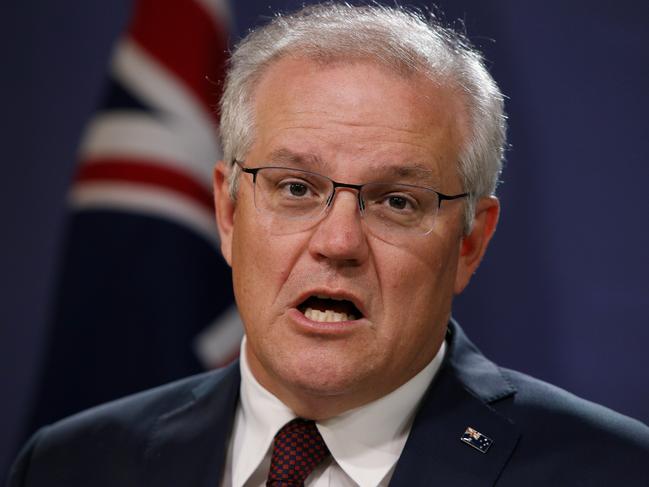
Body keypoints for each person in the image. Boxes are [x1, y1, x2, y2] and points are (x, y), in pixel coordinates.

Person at [8, 3, 649, 486]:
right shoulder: (70, 464)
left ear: (470, 243)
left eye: (398, 202)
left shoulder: (613, 471)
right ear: (228, 212)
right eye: (294, 188)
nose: (338, 242)